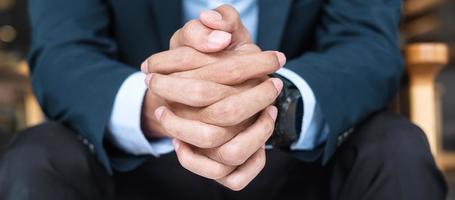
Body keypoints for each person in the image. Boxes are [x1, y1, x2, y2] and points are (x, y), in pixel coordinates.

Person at [0, 0, 447, 199]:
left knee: (396, 148)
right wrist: (163, 107)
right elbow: (64, 52)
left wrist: (274, 103)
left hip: (301, 160)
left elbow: (366, 45)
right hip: (133, 166)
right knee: (37, 157)